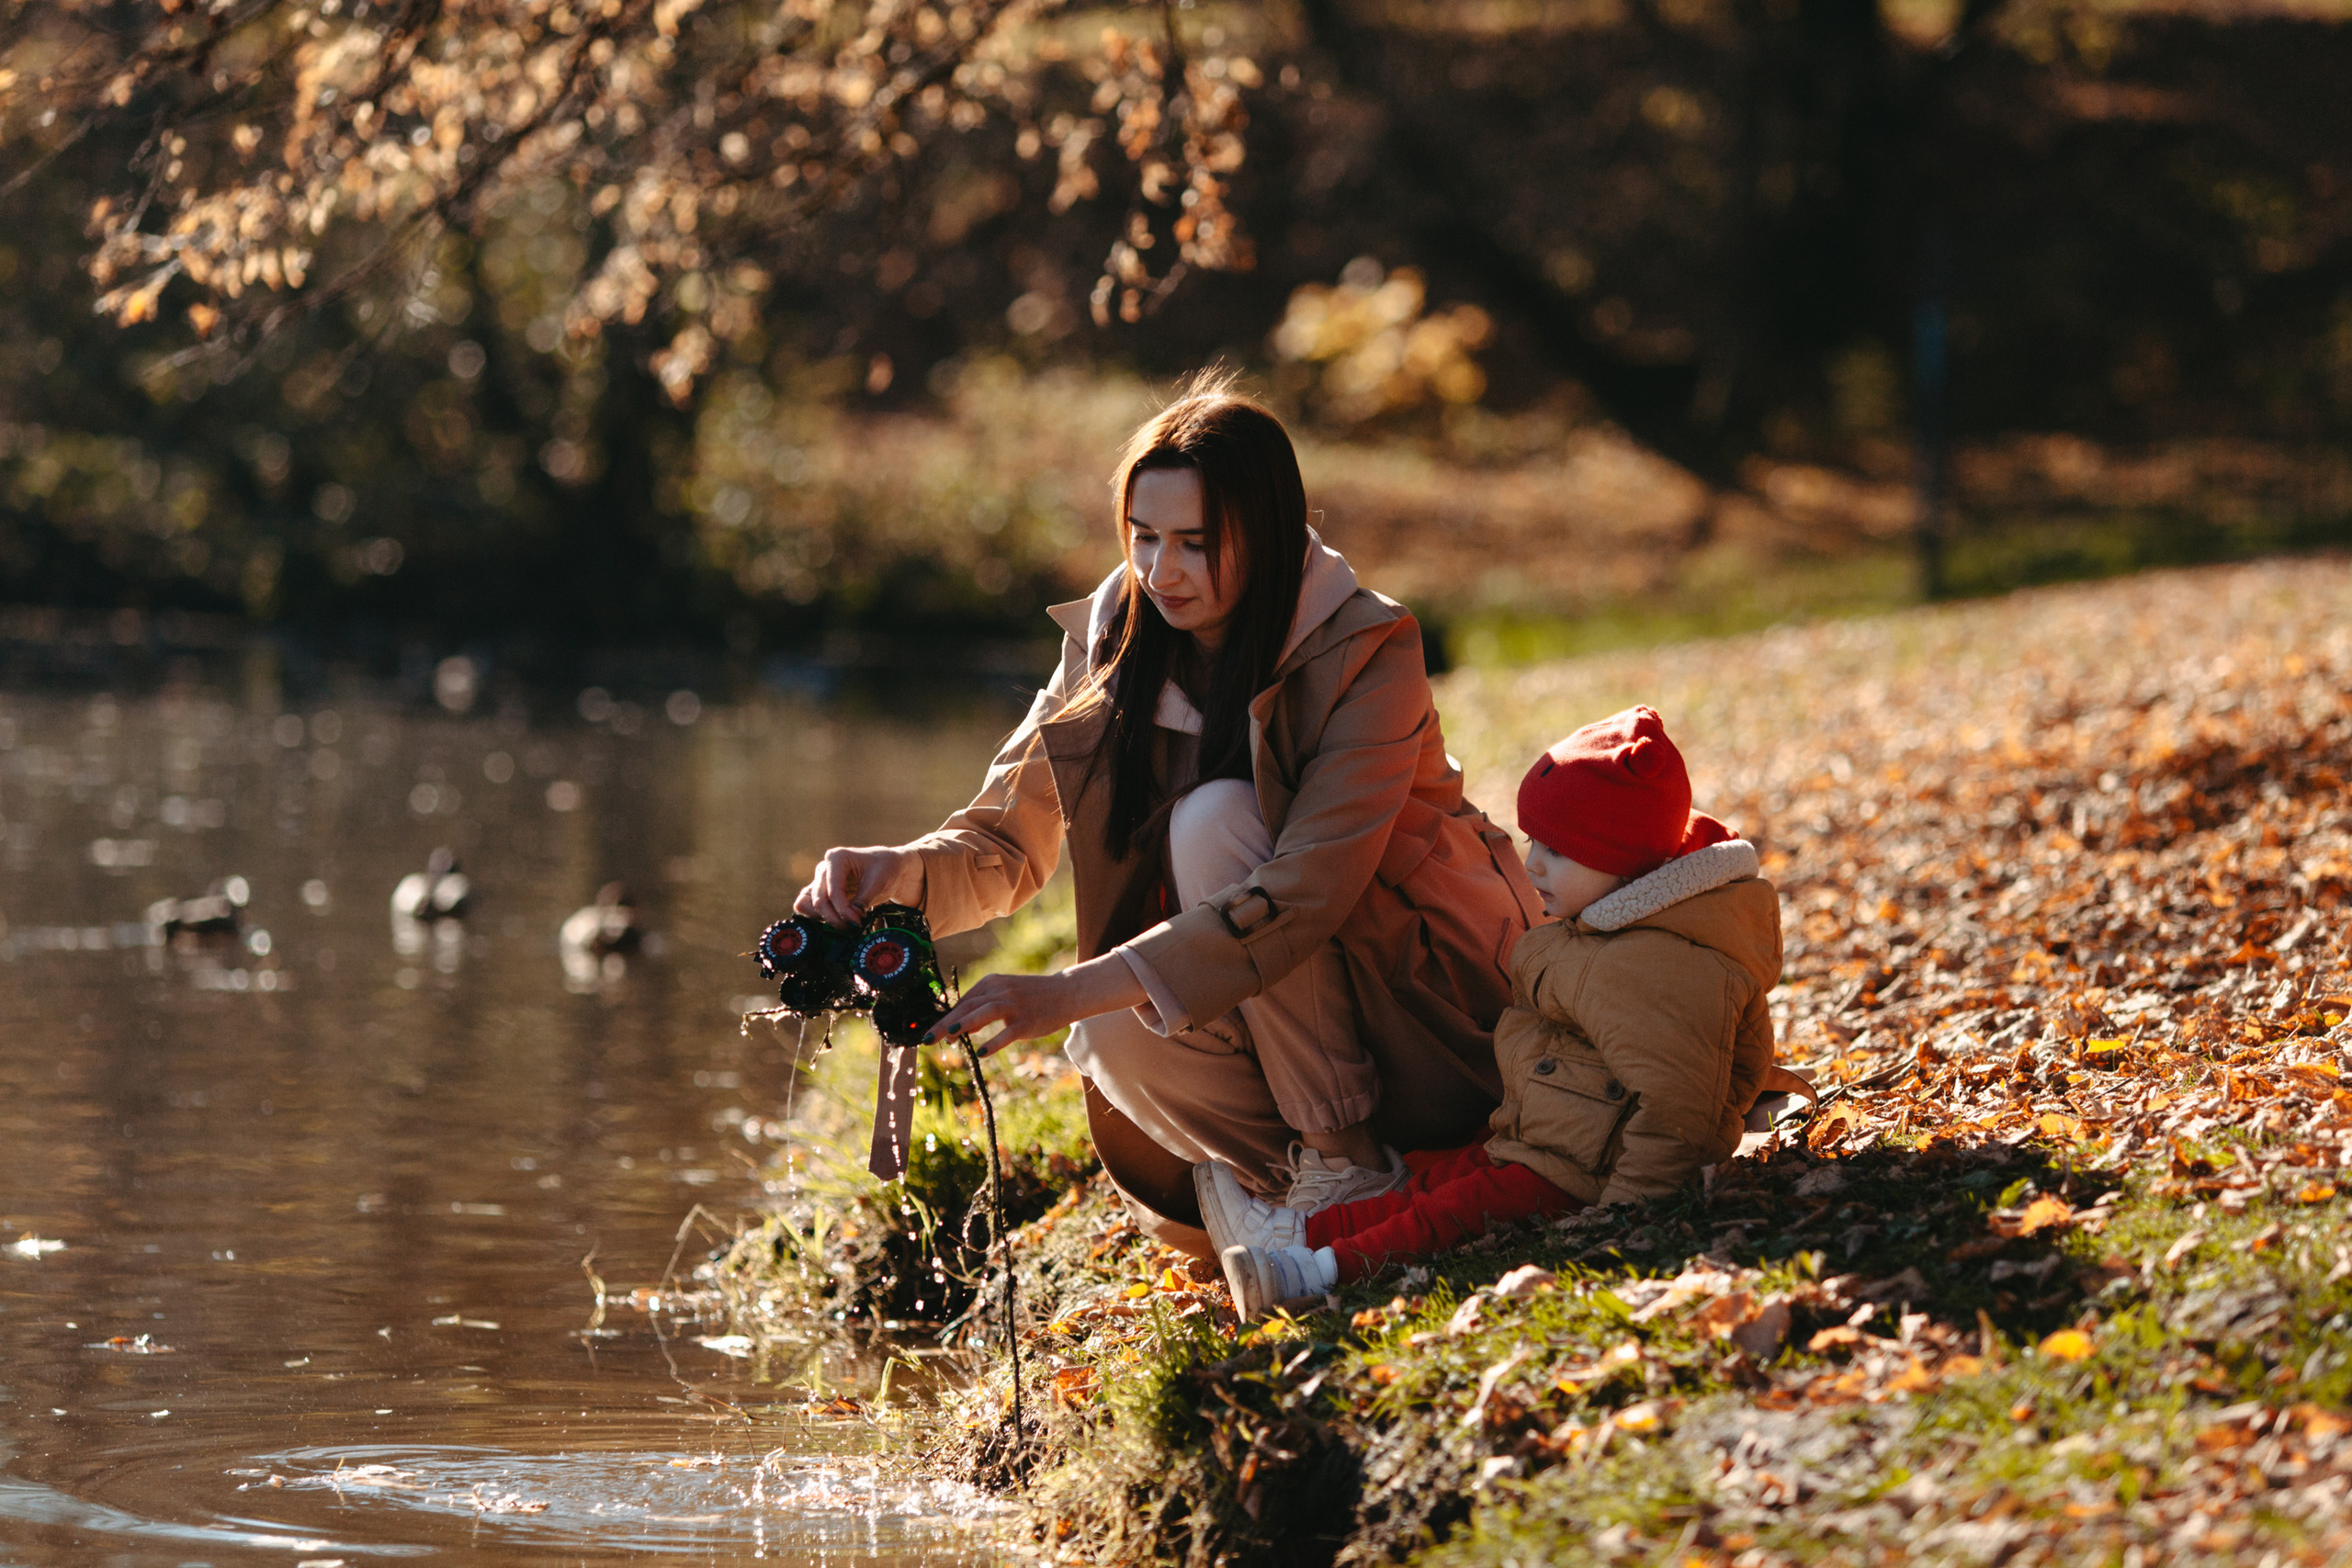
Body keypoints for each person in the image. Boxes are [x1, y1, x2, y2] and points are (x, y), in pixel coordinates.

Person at [792, 374, 1542, 1257]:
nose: (1162, 570)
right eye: (1144, 537)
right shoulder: (1113, 644)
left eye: (1196, 541)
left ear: (1262, 533)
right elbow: (1006, 834)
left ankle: (1344, 1166)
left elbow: (1307, 890)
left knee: (1210, 823)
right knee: (1107, 1018)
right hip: (1270, 1023)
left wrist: (1066, 985)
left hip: (1420, 1009)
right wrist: (904, 873)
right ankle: (1303, 1184)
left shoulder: (1366, 650)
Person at [1201, 705, 1804, 1318]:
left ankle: (1316, 1271)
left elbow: (1680, 1106)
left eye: (1560, 852)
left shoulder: (1667, 966)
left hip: (1588, 1170)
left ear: (1622, 859)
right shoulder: (1613, 926)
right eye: (1535, 841)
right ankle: (1297, 1233)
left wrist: (1629, 1212)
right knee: (1433, 1179)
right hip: (1555, 1139)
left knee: (1451, 1211)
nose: (1534, 862)